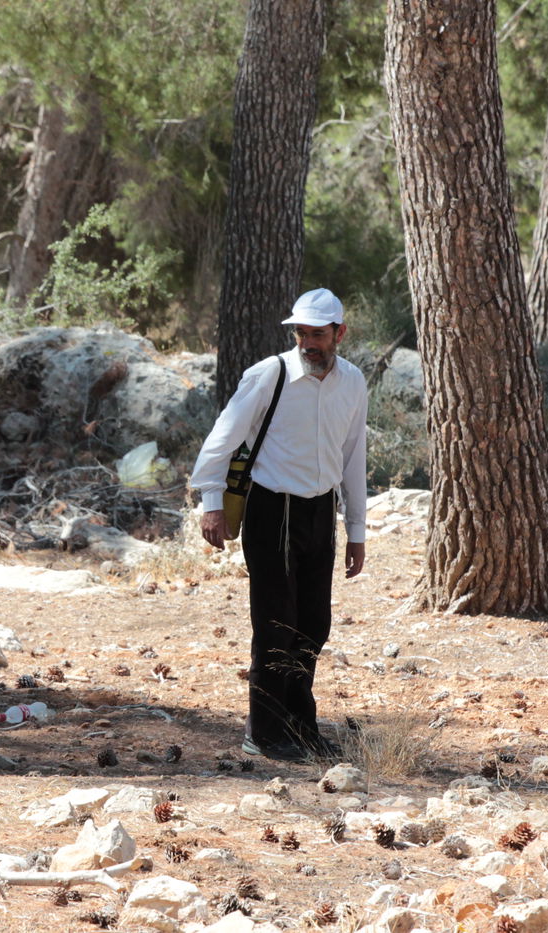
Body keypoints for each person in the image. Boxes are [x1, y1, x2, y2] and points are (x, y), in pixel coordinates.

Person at [190, 288, 368, 762]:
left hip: (320, 511)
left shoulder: (353, 382)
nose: (309, 342)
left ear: (339, 334)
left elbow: (354, 459)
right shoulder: (270, 374)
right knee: (275, 622)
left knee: (313, 624)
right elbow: (222, 438)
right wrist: (211, 503)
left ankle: (301, 725)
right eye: (302, 333)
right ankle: (264, 732)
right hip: (272, 508)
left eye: (318, 334)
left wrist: (356, 531)